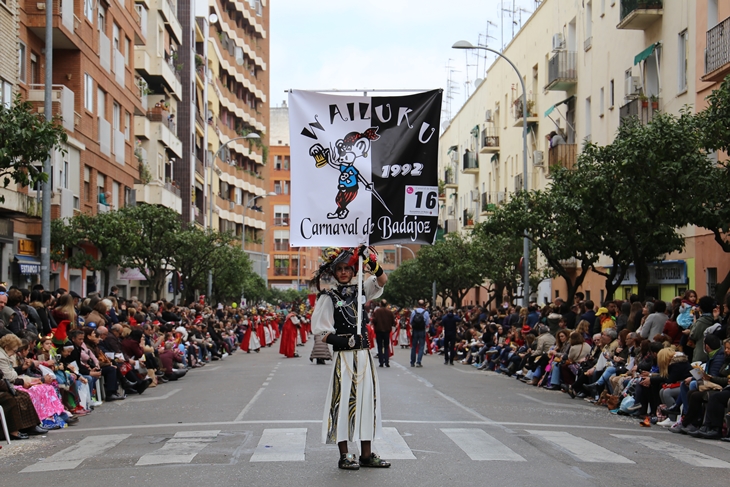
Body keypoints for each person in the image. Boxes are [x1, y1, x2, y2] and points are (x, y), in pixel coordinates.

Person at [311, 246, 390, 470]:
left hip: (364, 357)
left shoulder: (361, 290)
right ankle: (345, 454)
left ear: (354, 270)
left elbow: (382, 280)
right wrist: (345, 342)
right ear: (334, 272)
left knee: (367, 402)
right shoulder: (328, 296)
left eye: (348, 268)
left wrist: (372, 263)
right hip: (344, 360)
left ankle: (366, 454)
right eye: (340, 269)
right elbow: (320, 331)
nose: (344, 272)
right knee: (342, 402)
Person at [371, 299, 395, 368]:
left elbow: (374, 320)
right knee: (386, 346)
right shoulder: (389, 312)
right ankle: (387, 361)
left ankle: (381, 362)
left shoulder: (377, 311)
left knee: (380, 346)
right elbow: (393, 322)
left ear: (380, 304)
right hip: (387, 331)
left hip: (378, 331)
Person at [410, 300, 430, 367]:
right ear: (424, 305)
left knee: (414, 346)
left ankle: (412, 362)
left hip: (415, 330)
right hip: (422, 330)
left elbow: (411, 321)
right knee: (421, 346)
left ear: (417, 304)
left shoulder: (414, 312)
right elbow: (427, 323)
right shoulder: (426, 312)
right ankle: (418, 362)